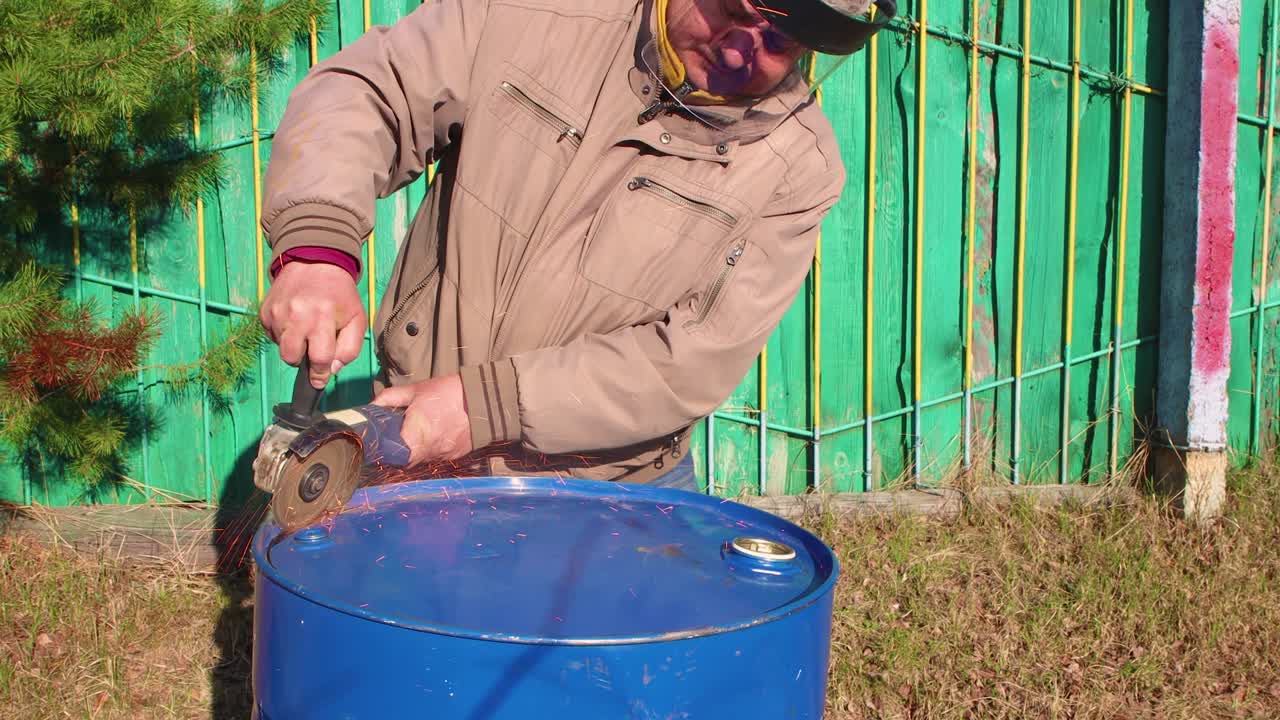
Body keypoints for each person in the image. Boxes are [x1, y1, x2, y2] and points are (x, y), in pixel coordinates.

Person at [258, 0, 894, 491]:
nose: (737, 53)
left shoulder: (798, 170)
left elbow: (691, 360)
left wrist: (484, 406)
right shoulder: (535, 14)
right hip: (420, 448)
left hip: (610, 493)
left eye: (779, 42)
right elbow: (373, 93)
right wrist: (316, 249)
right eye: (733, 11)